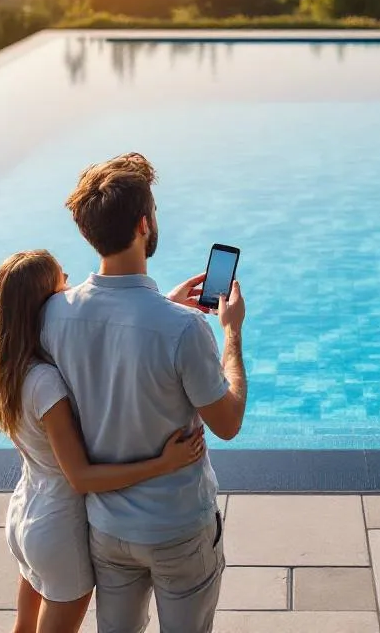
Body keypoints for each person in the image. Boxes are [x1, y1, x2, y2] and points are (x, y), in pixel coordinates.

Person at [43, 152, 248, 633]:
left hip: (108, 529)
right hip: (178, 527)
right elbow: (227, 423)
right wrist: (232, 333)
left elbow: (115, 344)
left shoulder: (54, 315)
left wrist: (161, 305)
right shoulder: (183, 329)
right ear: (143, 224)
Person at [0, 249, 209, 633]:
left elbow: (100, 343)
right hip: (58, 532)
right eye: (61, 281)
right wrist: (163, 463)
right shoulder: (46, 384)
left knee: (23, 628)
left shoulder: (11, 367)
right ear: (43, 303)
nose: (69, 282)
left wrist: (165, 306)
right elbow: (81, 477)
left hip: (25, 512)